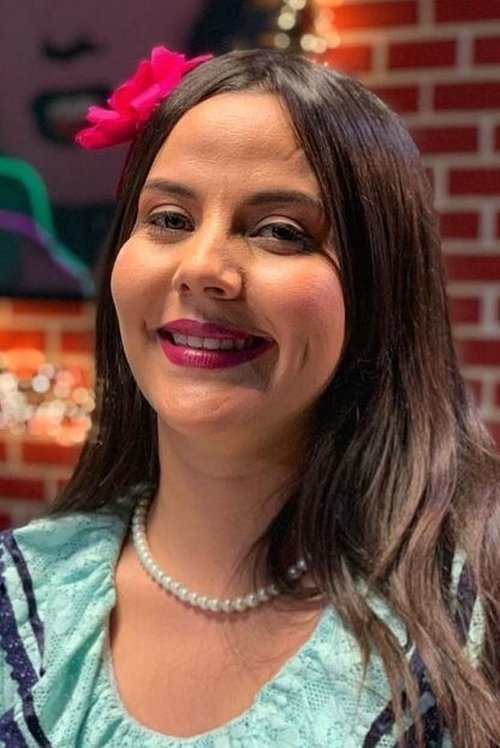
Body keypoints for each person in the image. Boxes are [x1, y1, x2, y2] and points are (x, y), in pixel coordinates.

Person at [0, 46, 498, 748]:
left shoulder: (473, 612)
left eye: (280, 232)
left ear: (380, 287)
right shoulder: (22, 597)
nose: (203, 267)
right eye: (169, 218)